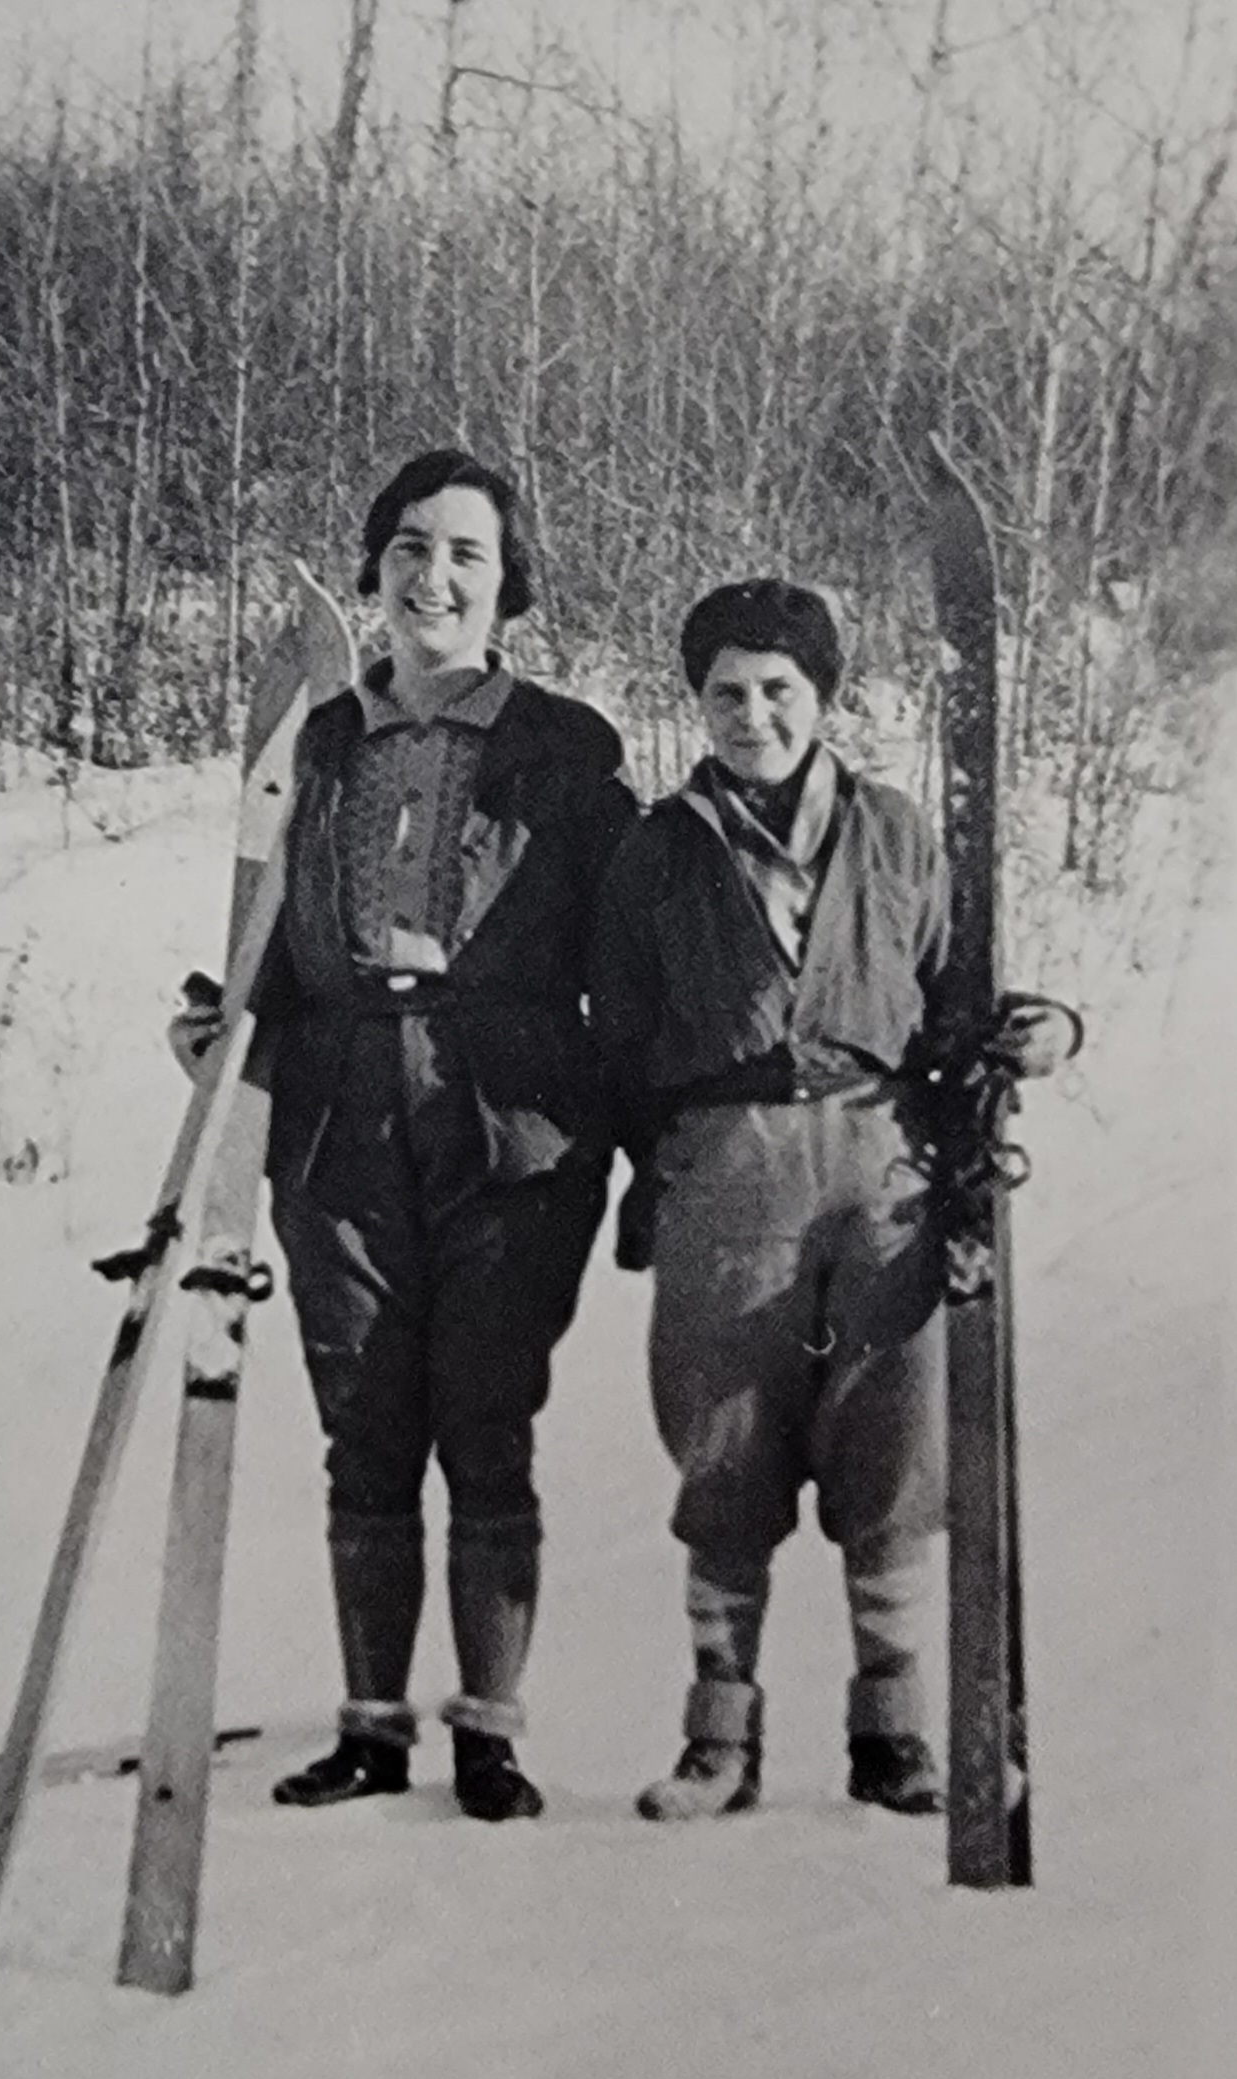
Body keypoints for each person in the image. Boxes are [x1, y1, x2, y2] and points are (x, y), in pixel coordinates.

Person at [177, 450, 635, 1821]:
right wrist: (222, 1025)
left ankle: (488, 1732)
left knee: (485, 1423)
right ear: (374, 566)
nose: (433, 578)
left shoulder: (566, 748)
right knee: (365, 1427)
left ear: (508, 580)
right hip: (334, 1111)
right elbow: (267, 927)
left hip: (510, 1116)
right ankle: (371, 1727)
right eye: (409, 548)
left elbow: (631, 945)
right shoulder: (309, 740)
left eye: (465, 553)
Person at [589, 577, 1063, 1821]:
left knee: (890, 1446)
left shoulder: (894, 831)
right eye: (725, 694)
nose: (751, 716)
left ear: (822, 696)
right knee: (722, 1448)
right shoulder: (655, 849)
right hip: (724, 1169)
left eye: (777, 690)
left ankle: (892, 1733)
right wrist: (669, 1165)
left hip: (881, 1166)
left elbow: (956, 999)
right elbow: (618, 1035)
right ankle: (718, 1741)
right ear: (694, 703)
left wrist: (1038, 1033)